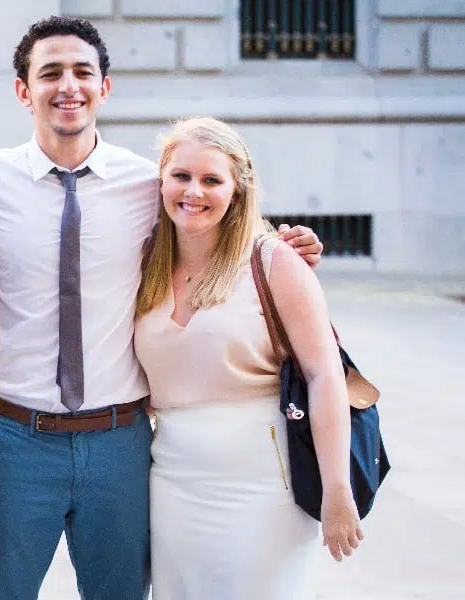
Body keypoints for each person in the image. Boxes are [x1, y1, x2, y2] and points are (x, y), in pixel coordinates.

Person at [0, 15, 324, 600]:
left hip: (120, 442)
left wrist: (284, 246)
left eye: (83, 72)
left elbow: (217, 225)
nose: (69, 86)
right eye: (50, 72)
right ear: (23, 90)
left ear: (104, 87)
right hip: (14, 442)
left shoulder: (147, 185)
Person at [134, 117, 363, 599]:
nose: (193, 191)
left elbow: (324, 375)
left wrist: (337, 488)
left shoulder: (274, 260)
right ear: (161, 179)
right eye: (181, 175)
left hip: (264, 484)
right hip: (172, 480)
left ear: (236, 192)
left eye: (212, 180)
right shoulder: (144, 262)